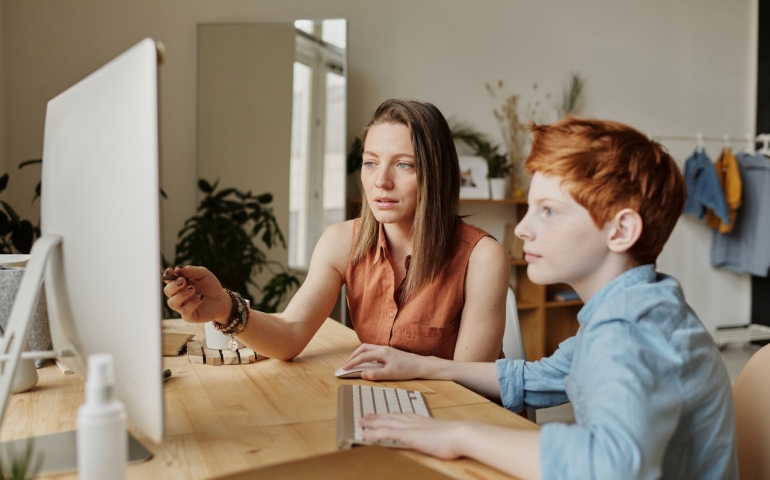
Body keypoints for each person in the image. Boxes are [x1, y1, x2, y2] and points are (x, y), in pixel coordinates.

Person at [343, 117, 738, 480]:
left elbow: (609, 465)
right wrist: (420, 365)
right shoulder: (636, 305)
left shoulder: (629, 329)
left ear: (621, 231)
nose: (524, 230)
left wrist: (459, 435)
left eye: (548, 211)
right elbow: (537, 377)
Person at [163, 98, 509, 362]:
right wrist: (225, 307)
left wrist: (401, 370)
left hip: (461, 422)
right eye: (371, 162)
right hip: (390, 409)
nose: (380, 181)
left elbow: (469, 386)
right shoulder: (342, 241)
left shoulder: (482, 258)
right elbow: (290, 334)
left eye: (404, 165)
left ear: (437, 175)